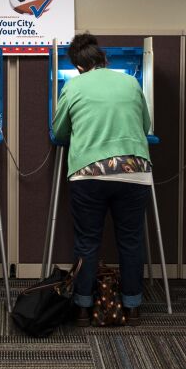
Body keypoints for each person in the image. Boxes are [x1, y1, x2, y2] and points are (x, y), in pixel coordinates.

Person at [52, 33, 152, 327]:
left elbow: (59, 132)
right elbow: (145, 125)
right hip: (134, 169)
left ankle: (83, 307)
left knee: (87, 241)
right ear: (104, 58)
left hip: (89, 172)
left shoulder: (73, 85)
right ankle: (132, 306)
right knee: (131, 241)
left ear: (78, 65)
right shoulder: (131, 82)